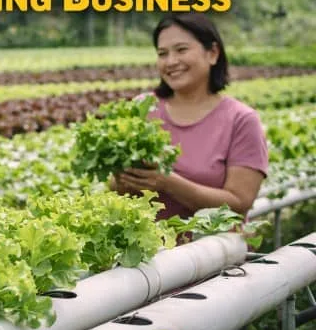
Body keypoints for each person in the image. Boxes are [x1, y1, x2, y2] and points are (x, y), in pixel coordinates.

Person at [111, 12, 268, 221]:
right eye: (162, 53)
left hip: (214, 250)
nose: (171, 61)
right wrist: (125, 179)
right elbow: (115, 187)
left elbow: (239, 202)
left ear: (212, 53)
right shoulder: (143, 108)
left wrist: (168, 182)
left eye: (181, 50)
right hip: (151, 250)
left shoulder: (241, 120)